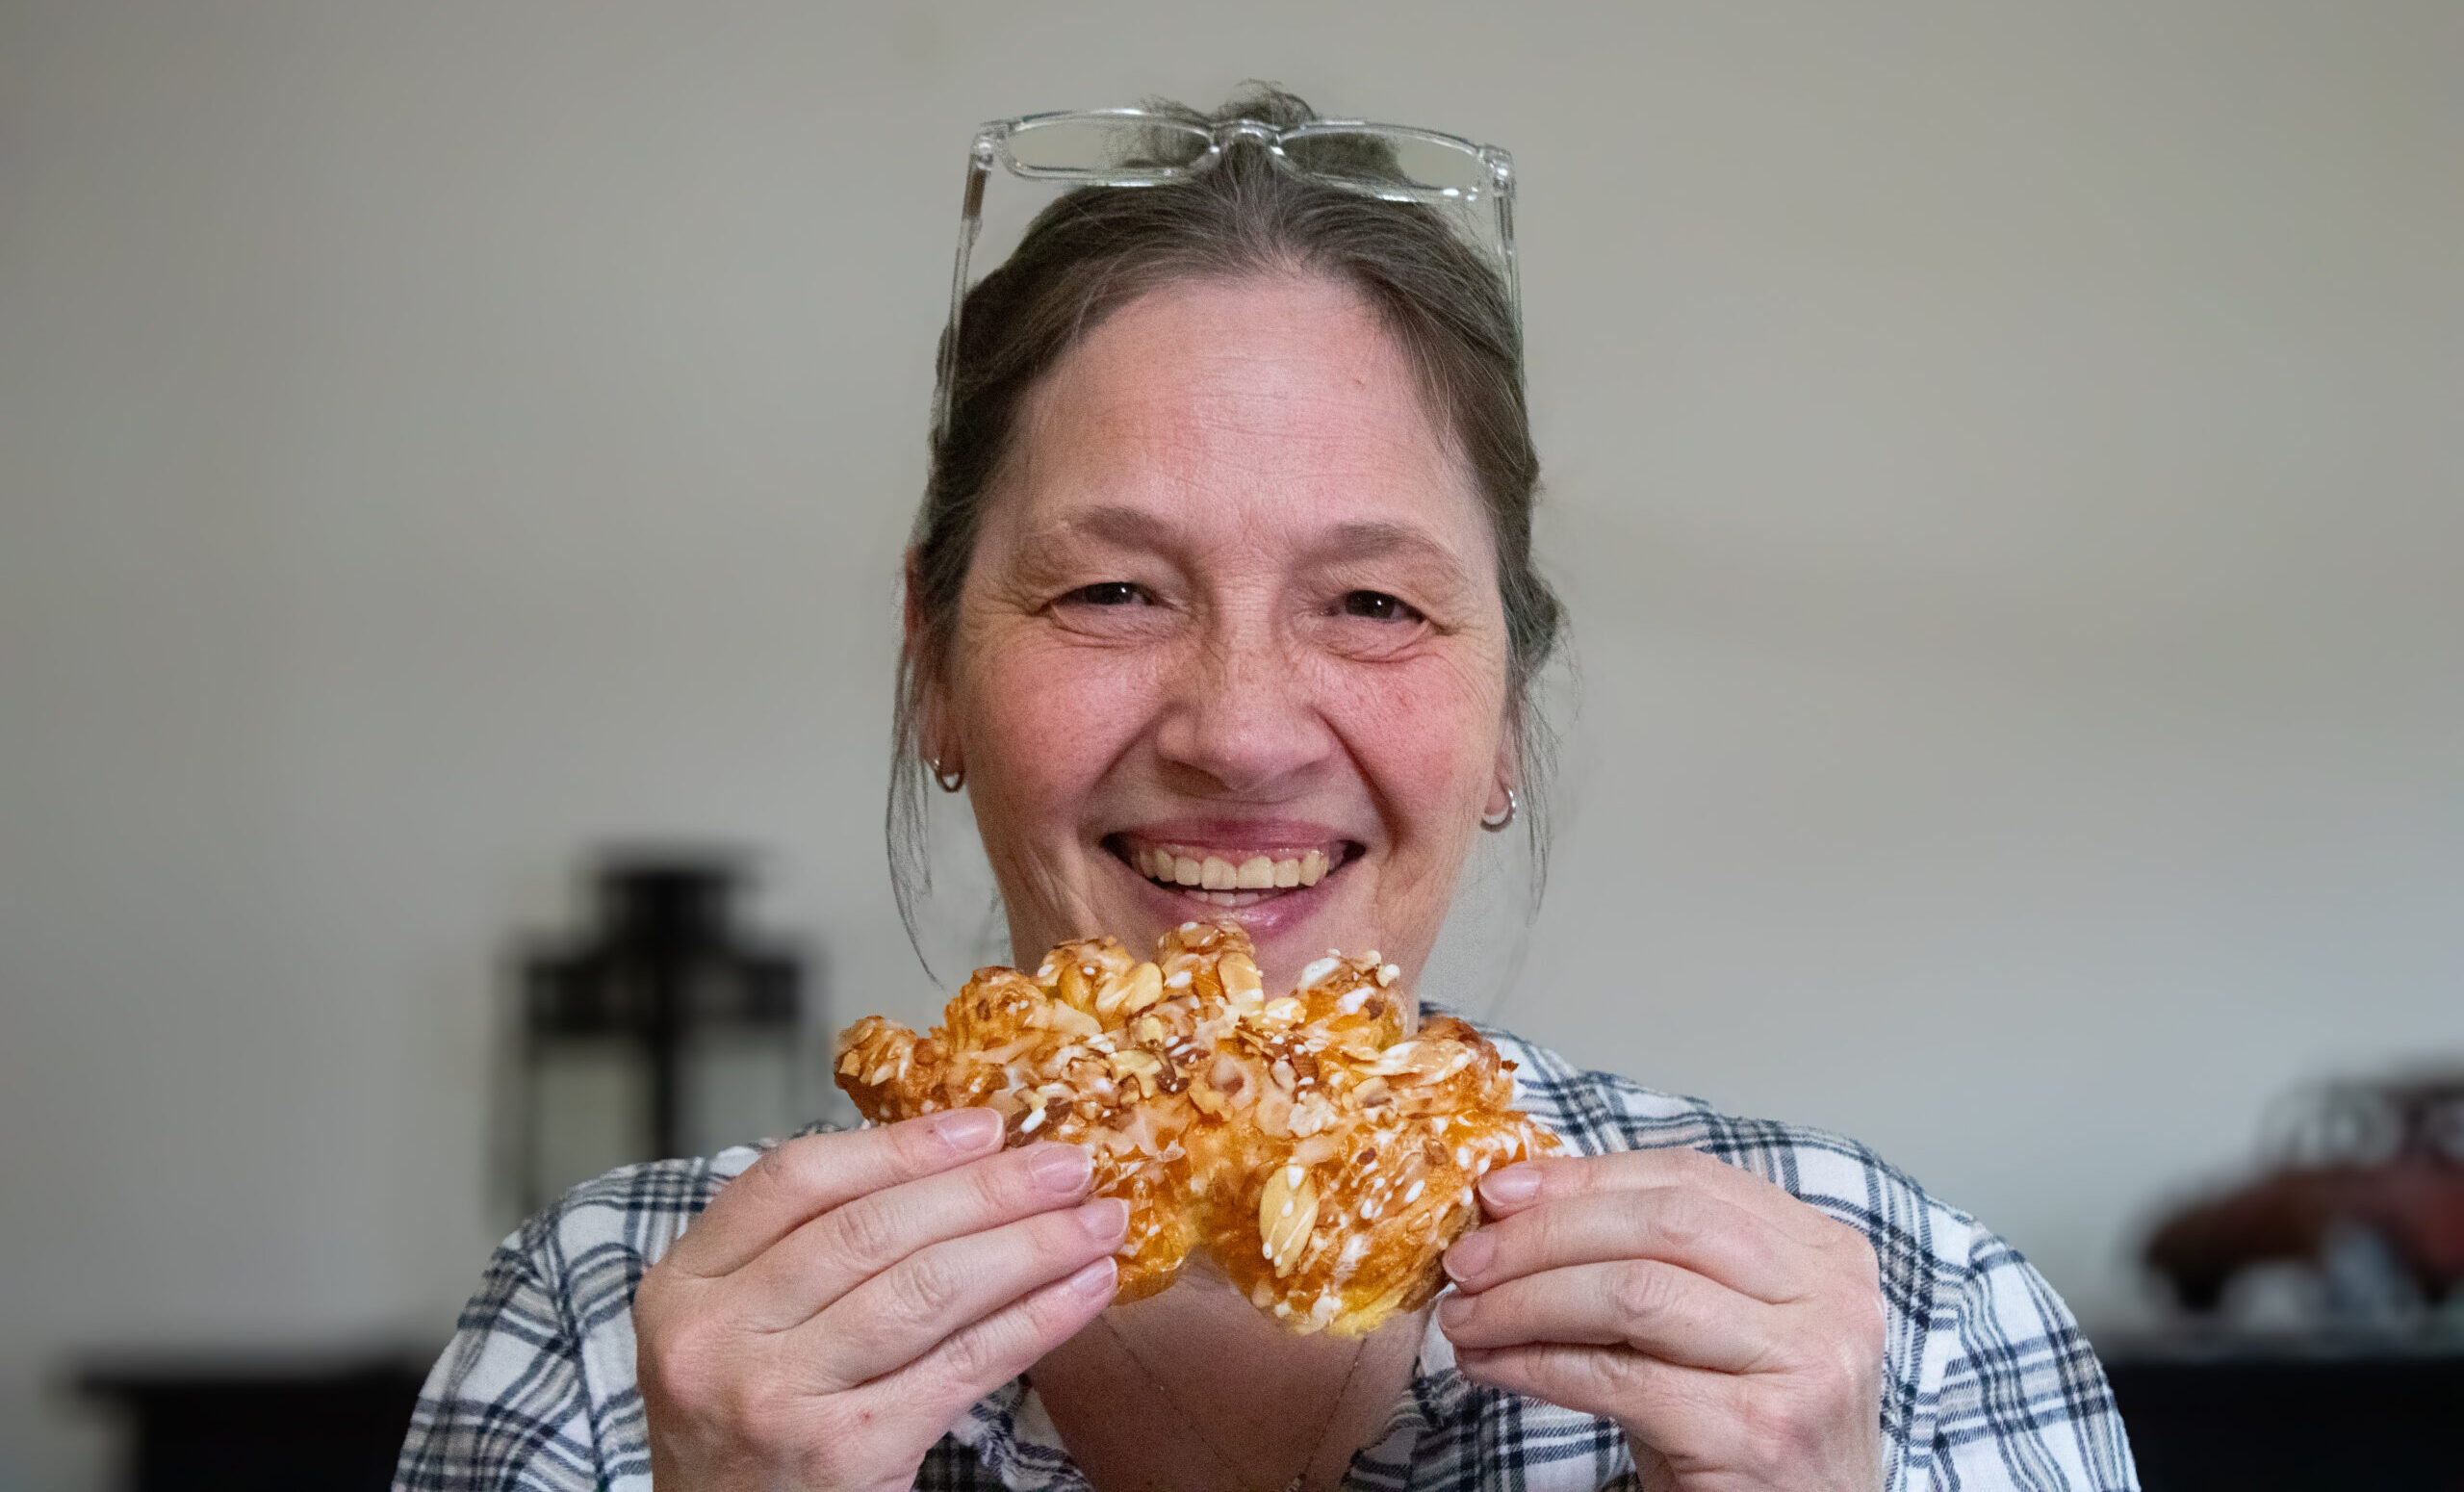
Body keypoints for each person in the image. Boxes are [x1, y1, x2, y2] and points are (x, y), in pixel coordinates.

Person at [398, 89, 2138, 1492]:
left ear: (1508, 704)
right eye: (1110, 592)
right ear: (933, 660)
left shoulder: (1903, 1320)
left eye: (1374, 602)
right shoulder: (619, 1338)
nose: (1239, 731)